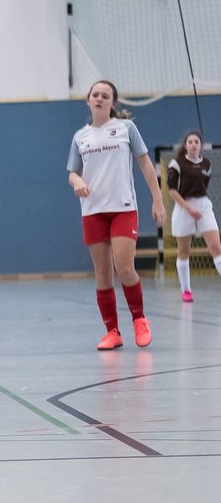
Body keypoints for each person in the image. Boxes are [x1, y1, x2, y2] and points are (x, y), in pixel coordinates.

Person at [68, 80, 166, 349]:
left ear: (113, 103)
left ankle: (139, 320)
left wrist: (157, 200)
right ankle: (112, 331)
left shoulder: (125, 129)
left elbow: (145, 163)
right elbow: (73, 172)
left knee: (124, 266)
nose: (99, 98)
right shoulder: (80, 137)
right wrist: (76, 181)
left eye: (105, 95)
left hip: (122, 208)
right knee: (102, 273)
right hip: (93, 212)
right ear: (88, 100)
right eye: (95, 94)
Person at [166, 131, 220, 303]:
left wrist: (198, 206)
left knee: (216, 248)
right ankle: (186, 290)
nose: (194, 144)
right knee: (184, 251)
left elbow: (204, 185)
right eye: (190, 141)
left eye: (197, 141)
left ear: (201, 145)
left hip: (203, 206)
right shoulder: (177, 164)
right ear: (185, 145)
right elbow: (172, 191)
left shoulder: (206, 163)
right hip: (183, 208)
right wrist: (188, 208)